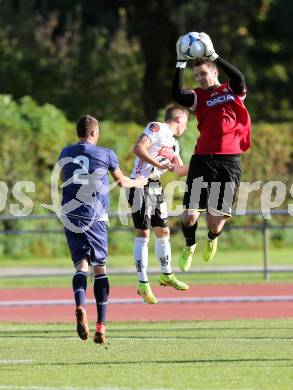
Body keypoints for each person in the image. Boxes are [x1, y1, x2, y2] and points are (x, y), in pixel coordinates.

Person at [58, 115, 147, 344]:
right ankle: (101, 327)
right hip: (95, 216)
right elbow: (122, 181)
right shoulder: (105, 153)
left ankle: (79, 305)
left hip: (71, 215)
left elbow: (62, 178)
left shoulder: (65, 152)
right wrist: (140, 182)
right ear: (95, 133)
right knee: (100, 268)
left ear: (78, 132)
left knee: (81, 265)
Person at [172, 32, 251, 271]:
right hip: (203, 158)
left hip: (229, 161)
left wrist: (214, 55)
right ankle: (189, 244)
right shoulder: (199, 96)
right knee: (189, 216)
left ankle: (211, 239)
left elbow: (239, 76)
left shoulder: (232, 90)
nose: (201, 78)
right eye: (197, 75)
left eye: (204, 73)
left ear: (215, 72)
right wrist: (180, 62)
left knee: (215, 222)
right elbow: (176, 94)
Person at [127, 105, 190, 304]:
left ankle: (166, 274)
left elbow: (179, 170)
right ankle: (143, 283)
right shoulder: (157, 128)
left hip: (155, 186)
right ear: (179, 118)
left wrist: (206, 161)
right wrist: (158, 164)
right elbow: (138, 148)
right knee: (143, 233)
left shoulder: (174, 144)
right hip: (139, 183)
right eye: (186, 123)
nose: (186, 128)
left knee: (163, 231)